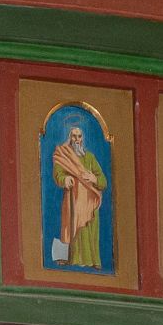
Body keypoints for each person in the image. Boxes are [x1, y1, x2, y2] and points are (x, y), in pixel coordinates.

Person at [53, 112, 108, 270]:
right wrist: (65, 179)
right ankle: (74, 261)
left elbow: (103, 181)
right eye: (74, 136)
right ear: (69, 137)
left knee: (89, 232)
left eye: (79, 136)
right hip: (74, 202)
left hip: (90, 204)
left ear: (82, 138)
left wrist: (94, 178)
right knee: (74, 231)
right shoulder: (64, 155)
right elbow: (58, 174)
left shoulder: (89, 157)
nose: (77, 139)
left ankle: (92, 261)